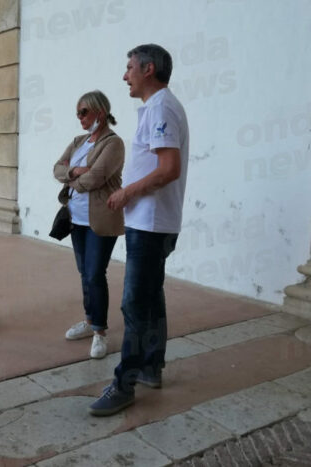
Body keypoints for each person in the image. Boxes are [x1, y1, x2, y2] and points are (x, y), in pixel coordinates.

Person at [89, 44, 189, 416]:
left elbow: (168, 168)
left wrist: (125, 192)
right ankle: (150, 367)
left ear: (148, 69)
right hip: (151, 222)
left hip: (150, 224)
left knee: (134, 302)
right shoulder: (157, 106)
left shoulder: (161, 105)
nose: (124, 74)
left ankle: (124, 383)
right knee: (150, 298)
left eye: (129, 67)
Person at [53, 90, 125, 359]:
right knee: (85, 272)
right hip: (76, 219)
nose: (80, 117)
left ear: (100, 112)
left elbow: (96, 178)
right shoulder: (79, 141)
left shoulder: (113, 143)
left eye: (84, 112)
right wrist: (73, 171)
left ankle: (100, 332)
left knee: (95, 273)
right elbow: (56, 168)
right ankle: (89, 319)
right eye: (78, 113)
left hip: (100, 217)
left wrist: (72, 178)